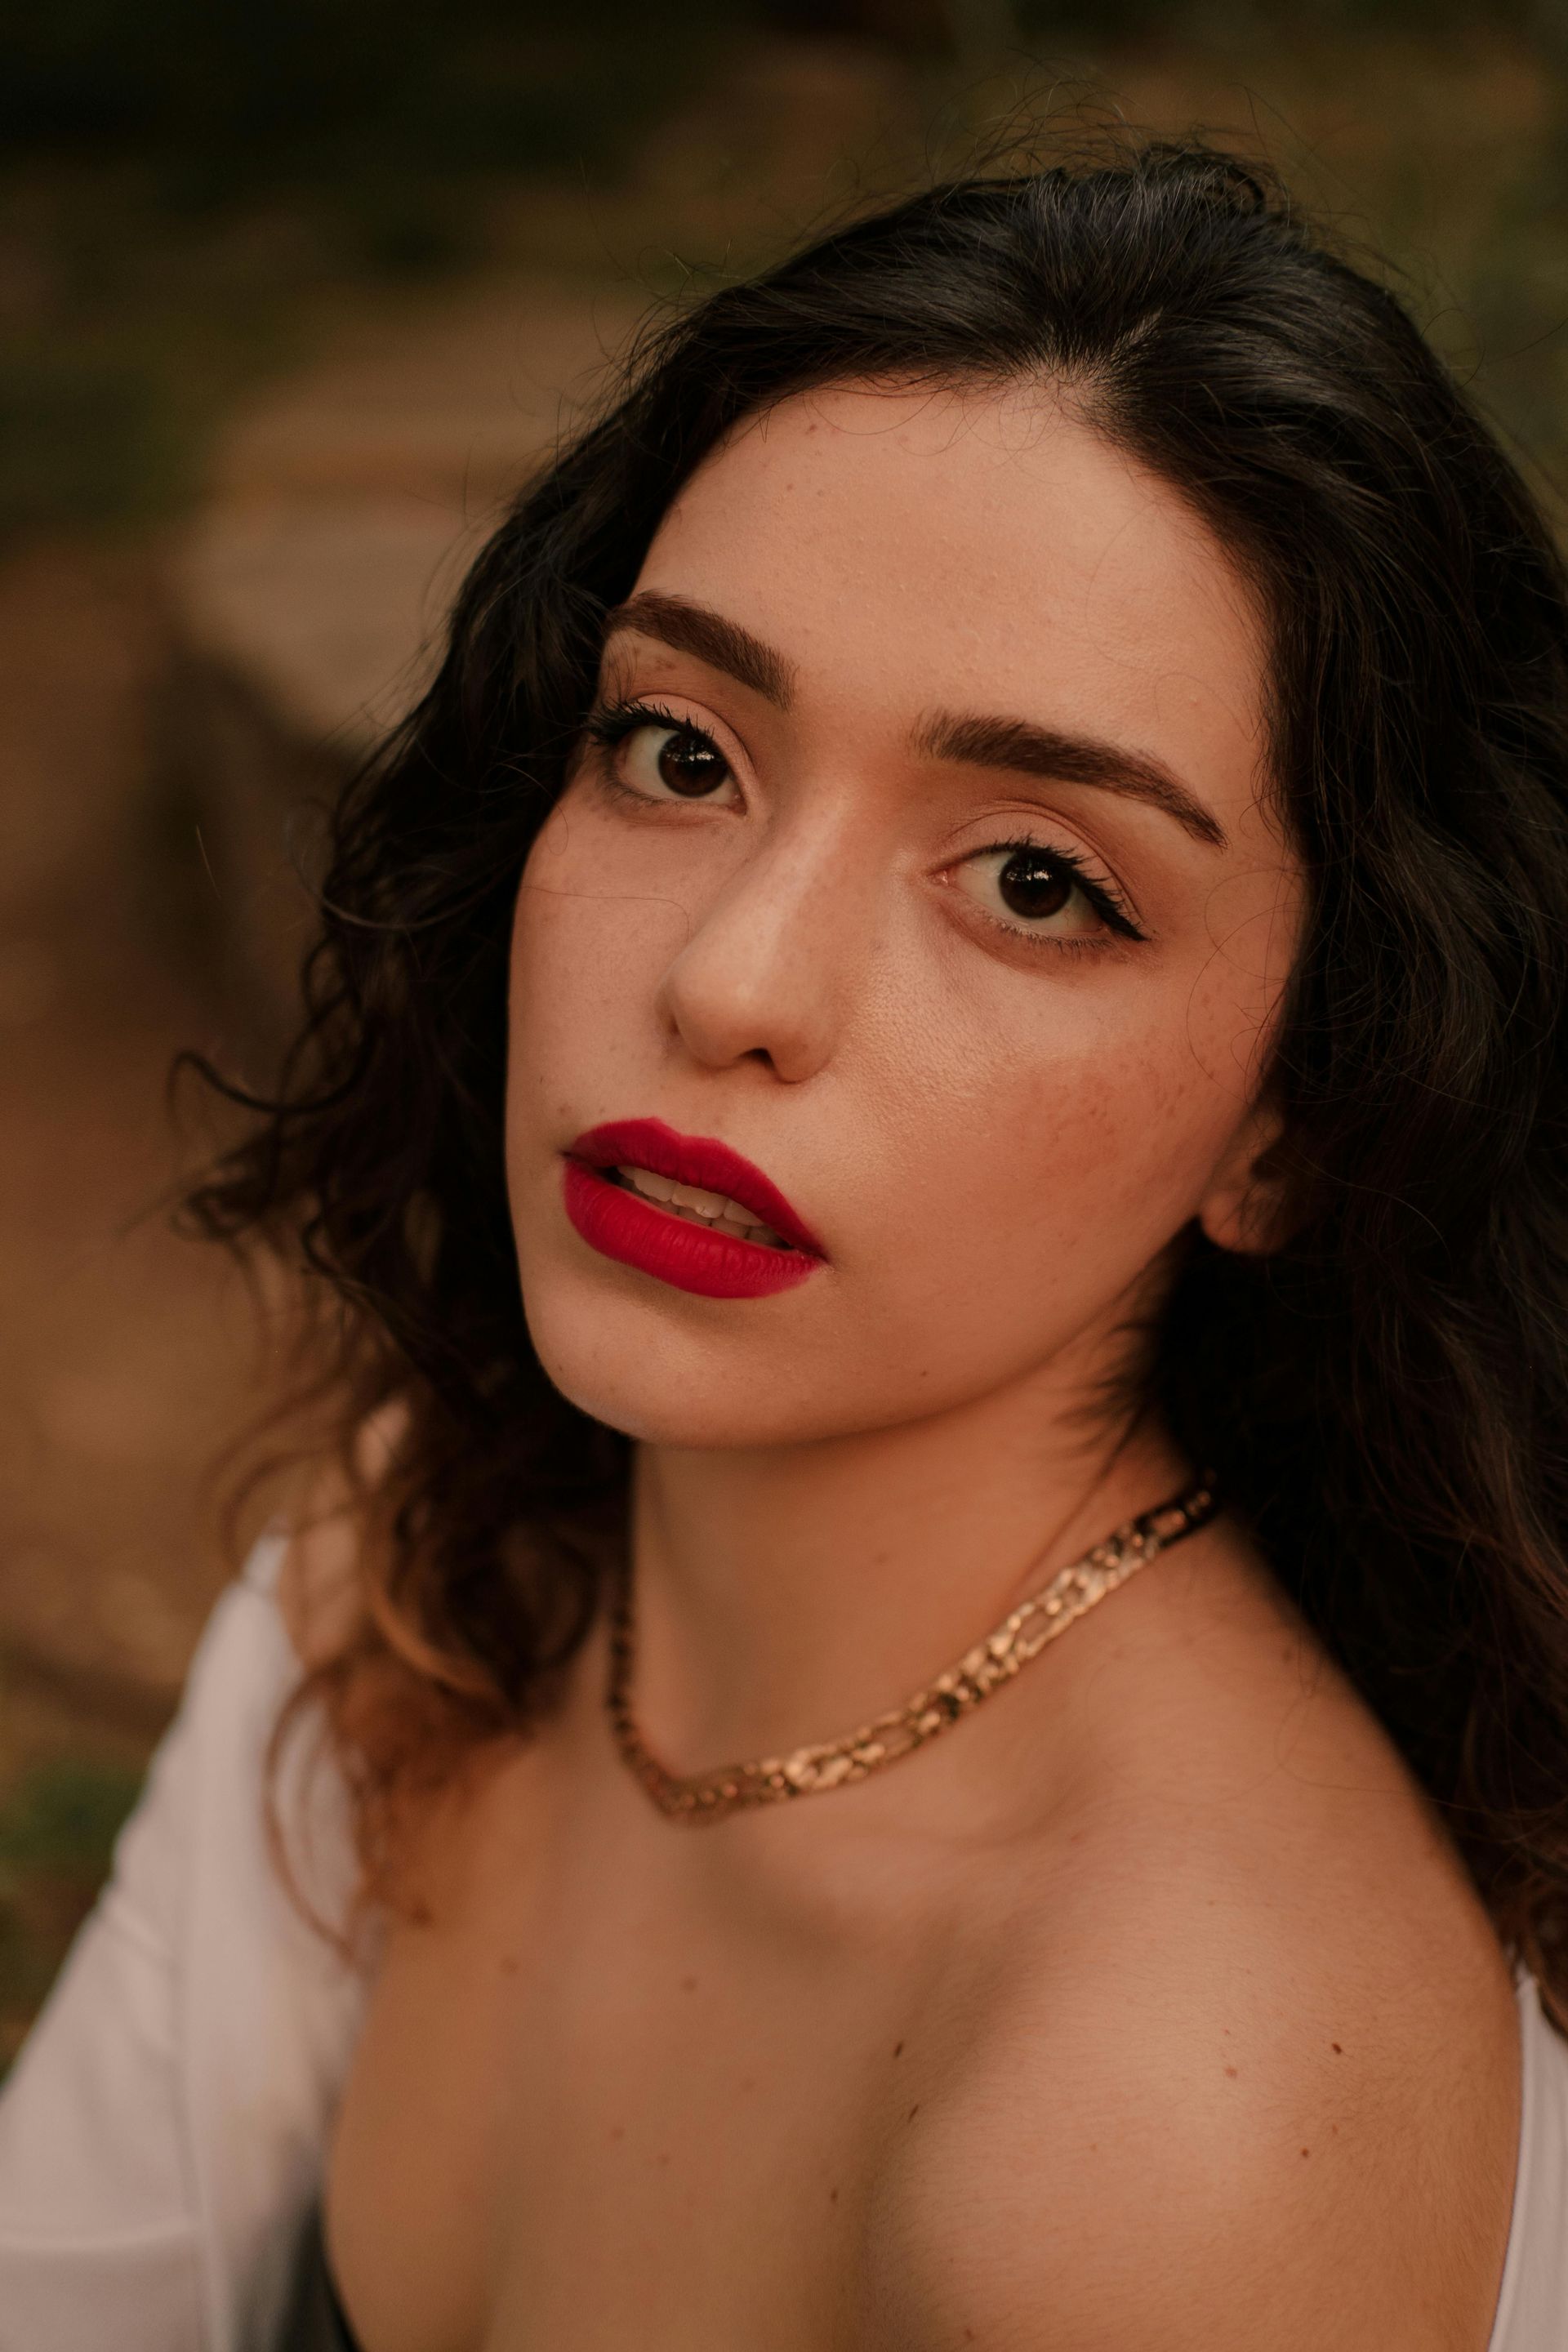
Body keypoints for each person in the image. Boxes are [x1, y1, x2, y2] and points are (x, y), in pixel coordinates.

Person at [2, 136, 1566, 2352]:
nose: (736, 976)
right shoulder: (424, 1580)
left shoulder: (1159, 2142)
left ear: (1305, 1117)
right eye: (678, 750)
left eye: (1036, 881)